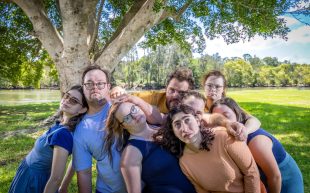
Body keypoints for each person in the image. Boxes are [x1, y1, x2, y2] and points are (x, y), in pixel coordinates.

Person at [158, 104, 260, 193]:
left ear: (198, 121)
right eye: (177, 124)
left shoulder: (224, 137)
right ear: (174, 132)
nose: (184, 129)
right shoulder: (184, 162)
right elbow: (202, 191)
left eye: (187, 120)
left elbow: (251, 173)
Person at [210, 97, 304, 193]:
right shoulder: (224, 138)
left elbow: (275, 176)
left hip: (284, 178)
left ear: (237, 116)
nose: (224, 123)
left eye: (227, 116)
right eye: (218, 119)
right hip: (262, 176)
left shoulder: (256, 143)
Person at [9, 85, 88, 193]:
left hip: (33, 181)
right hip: (28, 174)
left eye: (74, 100)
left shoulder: (63, 135)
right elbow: (76, 160)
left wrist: (62, 185)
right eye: (66, 96)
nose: (67, 100)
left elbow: (56, 178)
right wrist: (64, 187)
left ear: (82, 109)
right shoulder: (62, 125)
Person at [103, 101, 196, 193]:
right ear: (123, 126)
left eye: (133, 109)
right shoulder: (131, 153)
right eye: (127, 118)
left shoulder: (161, 127)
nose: (134, 116)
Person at [67, 65, 126, 193]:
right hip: (107, 190)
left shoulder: (122, 105)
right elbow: (84, 173)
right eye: (89, 83)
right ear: (83, 87)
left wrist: (120, 90)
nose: (94, 86)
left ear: (108, 87)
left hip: (145, 186)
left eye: (100, 83)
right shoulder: (80, 131)